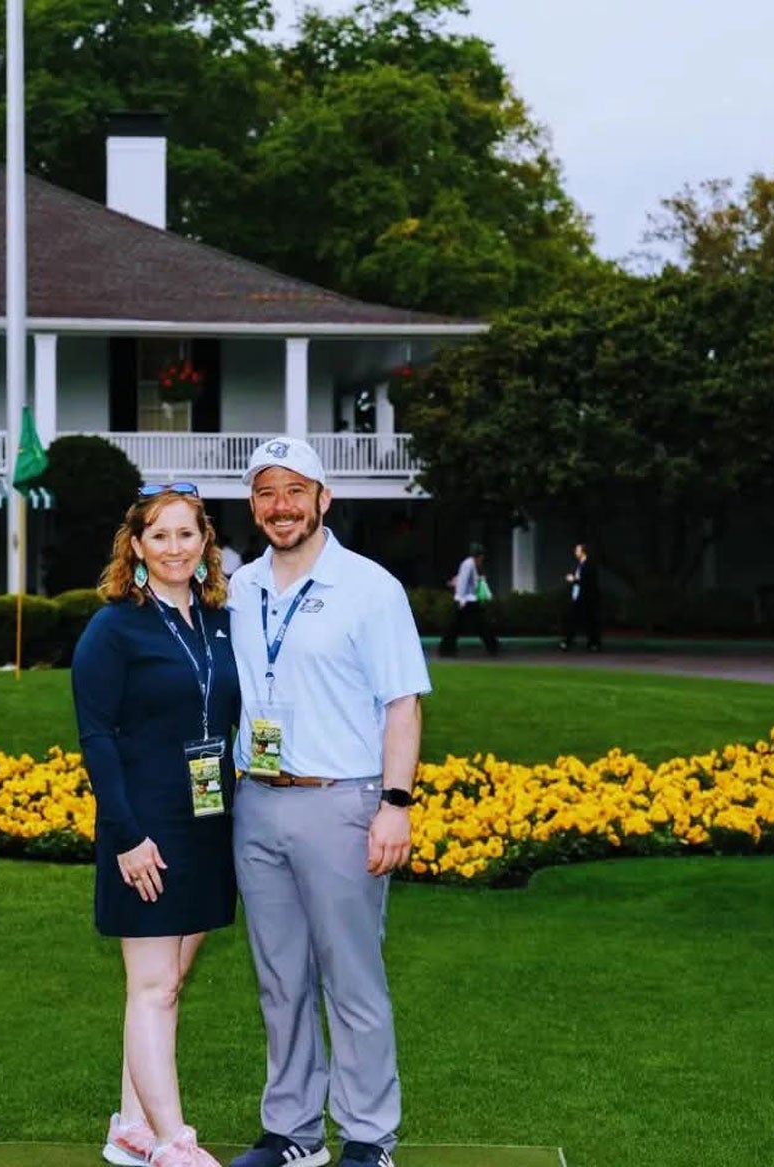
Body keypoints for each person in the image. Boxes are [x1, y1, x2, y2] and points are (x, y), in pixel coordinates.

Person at [226, 438, 430, 1167]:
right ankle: (294, 1131)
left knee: (351, 976)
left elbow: (402, 704)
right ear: (253, 506)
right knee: (280, 977)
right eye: (266, 492)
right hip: (257, 801)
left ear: (323, 498)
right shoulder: (239, 588)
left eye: (294, 490)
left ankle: (370, 1136)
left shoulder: (371, 586)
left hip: (341, 802)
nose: (280, 506)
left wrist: (396, 803)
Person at [72, 483, 240, 1167]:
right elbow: (96, 737)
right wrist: (125, 835)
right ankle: (173, 1140)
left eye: (187, 533)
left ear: (206, 544)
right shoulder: (113, 626)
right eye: (160, 535)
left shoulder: (217, 621)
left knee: (168, 981)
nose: (175, 547)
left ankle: (130, 1124)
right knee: (151, 984)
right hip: (144, 824)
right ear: (136, 546)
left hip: (204, 819)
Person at [440, 544, 499, 657]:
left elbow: (466, 580)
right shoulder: (469, 564)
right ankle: (492, 647)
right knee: (478, 624)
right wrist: (461, 599)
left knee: (458, 625)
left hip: (468, 600)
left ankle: (447, 648)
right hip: (467, 600)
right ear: (479, 556)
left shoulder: (470, 564)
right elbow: (463, 581)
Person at [560, 542, 602, 651]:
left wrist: (573, 579)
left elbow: (588, 581)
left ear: (583, 552)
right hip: (578, 596)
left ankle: (593, 643)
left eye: (577, 550)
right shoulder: (579, 564)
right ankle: (569, 641)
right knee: (573, 619)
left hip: (587, 597)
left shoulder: (589, 565)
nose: (575, 552)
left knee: (589, 621)